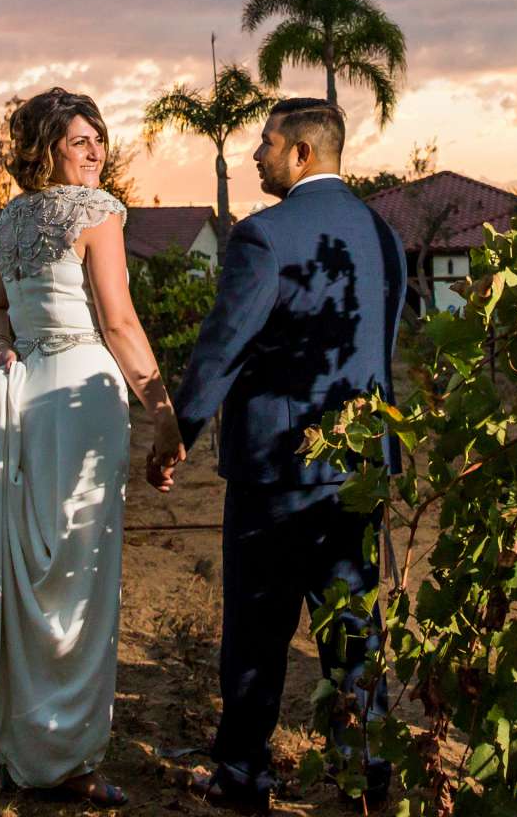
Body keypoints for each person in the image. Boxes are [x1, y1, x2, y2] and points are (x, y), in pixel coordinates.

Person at [0, 88, 182, 807]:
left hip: (28, 393)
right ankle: (68, 759)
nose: (96, 151)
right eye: (79, 142)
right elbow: (121, 323)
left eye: (98, 138)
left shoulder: (9, 220)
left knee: (32, 568)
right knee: (77, 577)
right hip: (82, 396)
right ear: (46, 152)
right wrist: (164, 415)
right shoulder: (97, 213)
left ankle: (26, 748)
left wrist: (4, 355)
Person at [149, 97, 409, 814]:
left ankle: (242, 775)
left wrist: (179, 430)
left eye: (264, 143)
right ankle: (368, 771)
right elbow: (381, 347)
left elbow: (223, 343)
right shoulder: (383, 235)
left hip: (277, 469)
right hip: (357, 469)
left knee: (258, 633)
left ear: (300, 153)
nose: (255, 156)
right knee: (353, 625)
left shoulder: (264, 236)